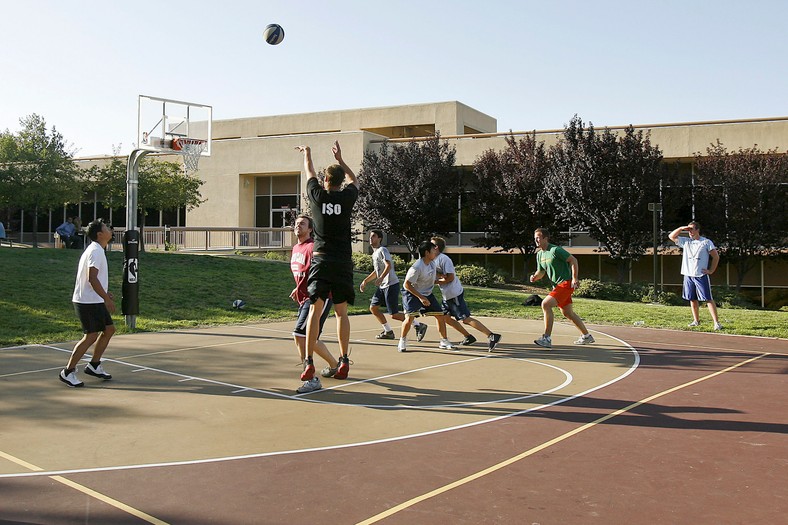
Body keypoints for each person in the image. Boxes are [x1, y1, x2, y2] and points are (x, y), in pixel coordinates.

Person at [295, 141, 359, 389]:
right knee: (341, 313)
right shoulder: (346, 197)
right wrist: (342, 160)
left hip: (321, 259)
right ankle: (343, 361)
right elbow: (356, 181)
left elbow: (308, 171)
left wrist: (307, 153)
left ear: (325, 181)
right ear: (340, 181)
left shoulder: (317, 195)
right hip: (342, 261)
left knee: (314, 309)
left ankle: (309, 360)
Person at [59, 219, 116, 387]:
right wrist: (105, 298)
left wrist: (105, 293)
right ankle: (67, 372)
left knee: (109, 329)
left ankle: (94, 365)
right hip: (87, 301)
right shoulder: (96, 251)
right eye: (106, 228)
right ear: (100, 234)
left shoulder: (97, 249)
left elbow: (94, 278)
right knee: (90, 335)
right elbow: (92, 278)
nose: (110, 230)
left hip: (94, 299)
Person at [290, 214, 340, 394]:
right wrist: (298, 288)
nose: (298, 226)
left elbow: (320, 271)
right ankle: (335, 365)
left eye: (302, 224)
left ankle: (311, 378)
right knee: (311, 337)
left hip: (319, 296)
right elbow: (302, 272)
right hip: (305, 296)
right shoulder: (296, 248)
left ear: (310, 229)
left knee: (300, 334)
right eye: (296, 224)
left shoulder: (312, 247)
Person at [431, 236, 502, 352]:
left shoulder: (444, 259)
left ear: (436, 247)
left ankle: (492, 335)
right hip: (447, 295)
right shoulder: (434, 260)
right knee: (443, 317)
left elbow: (450, 277)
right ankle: (468, 337)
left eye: (431, 244)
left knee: (465, 318)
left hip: (454, 294)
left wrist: (435, 281)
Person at [529, 228, 594, 348]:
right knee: (568, 313)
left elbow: (573, 260)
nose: (536, 240)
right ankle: (586, 336)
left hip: (566, 283)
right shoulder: (539, 254)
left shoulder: (555, 250)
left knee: (546, 304)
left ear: (545, 238)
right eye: (535, 238)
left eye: (538, 237)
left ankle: (546, 338)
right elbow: (541, 272)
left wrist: (575, 278)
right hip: (557, 286)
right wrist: (535, 277)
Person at [359, 229, 427, 342]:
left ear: (379, 238)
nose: (371, 238)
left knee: (394, 314)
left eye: (373, 236)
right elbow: (377, 271)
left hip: (391, 284)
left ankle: (418, 325)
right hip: (382, 286)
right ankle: (388, 331)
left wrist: (381, 278)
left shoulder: (382, 250)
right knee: (373, 308)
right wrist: (365, 281)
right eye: (370, 237)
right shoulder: (374, 253)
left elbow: (388, 265)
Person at [398, 240, 456, 352]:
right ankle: (402, 341)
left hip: (427, 293)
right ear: (427, 253)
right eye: (433, 250)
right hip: (412, 293)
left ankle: (444, 341)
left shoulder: (432, 263)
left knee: (440, 316)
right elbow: (407, 284)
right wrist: (421, 297)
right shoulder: (416, 267)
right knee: (409, 318)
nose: (436, 251)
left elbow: (430, 279)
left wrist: (441, 279)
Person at [668, 221, 723, 330]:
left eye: (692, 229)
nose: (690, 232)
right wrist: (682, 228)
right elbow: (671, 236)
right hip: (688, 274)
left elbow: (716, 257)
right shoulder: (686, 242)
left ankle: (716, 323)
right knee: (692, 299)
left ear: (698, 230)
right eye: (689, 230)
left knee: (708, 298)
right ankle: (696, 320)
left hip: (700, 275)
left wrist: (711, 270)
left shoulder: (706, 242)